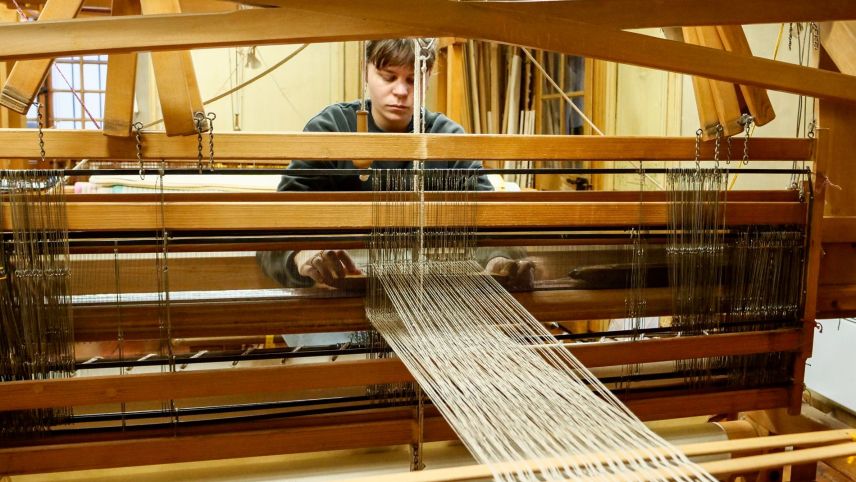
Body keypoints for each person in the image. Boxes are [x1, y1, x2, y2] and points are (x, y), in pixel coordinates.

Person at [258, 39, 533, 292]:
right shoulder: (330, 131)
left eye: (413, 79)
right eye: (388, 77)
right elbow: (276, 237)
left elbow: (491, 226)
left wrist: (499, 259)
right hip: (337, 296)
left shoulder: (447, 139)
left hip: (430, 299)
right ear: (365, 72)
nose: (401, 91)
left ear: (428, 79)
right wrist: (301, 257)